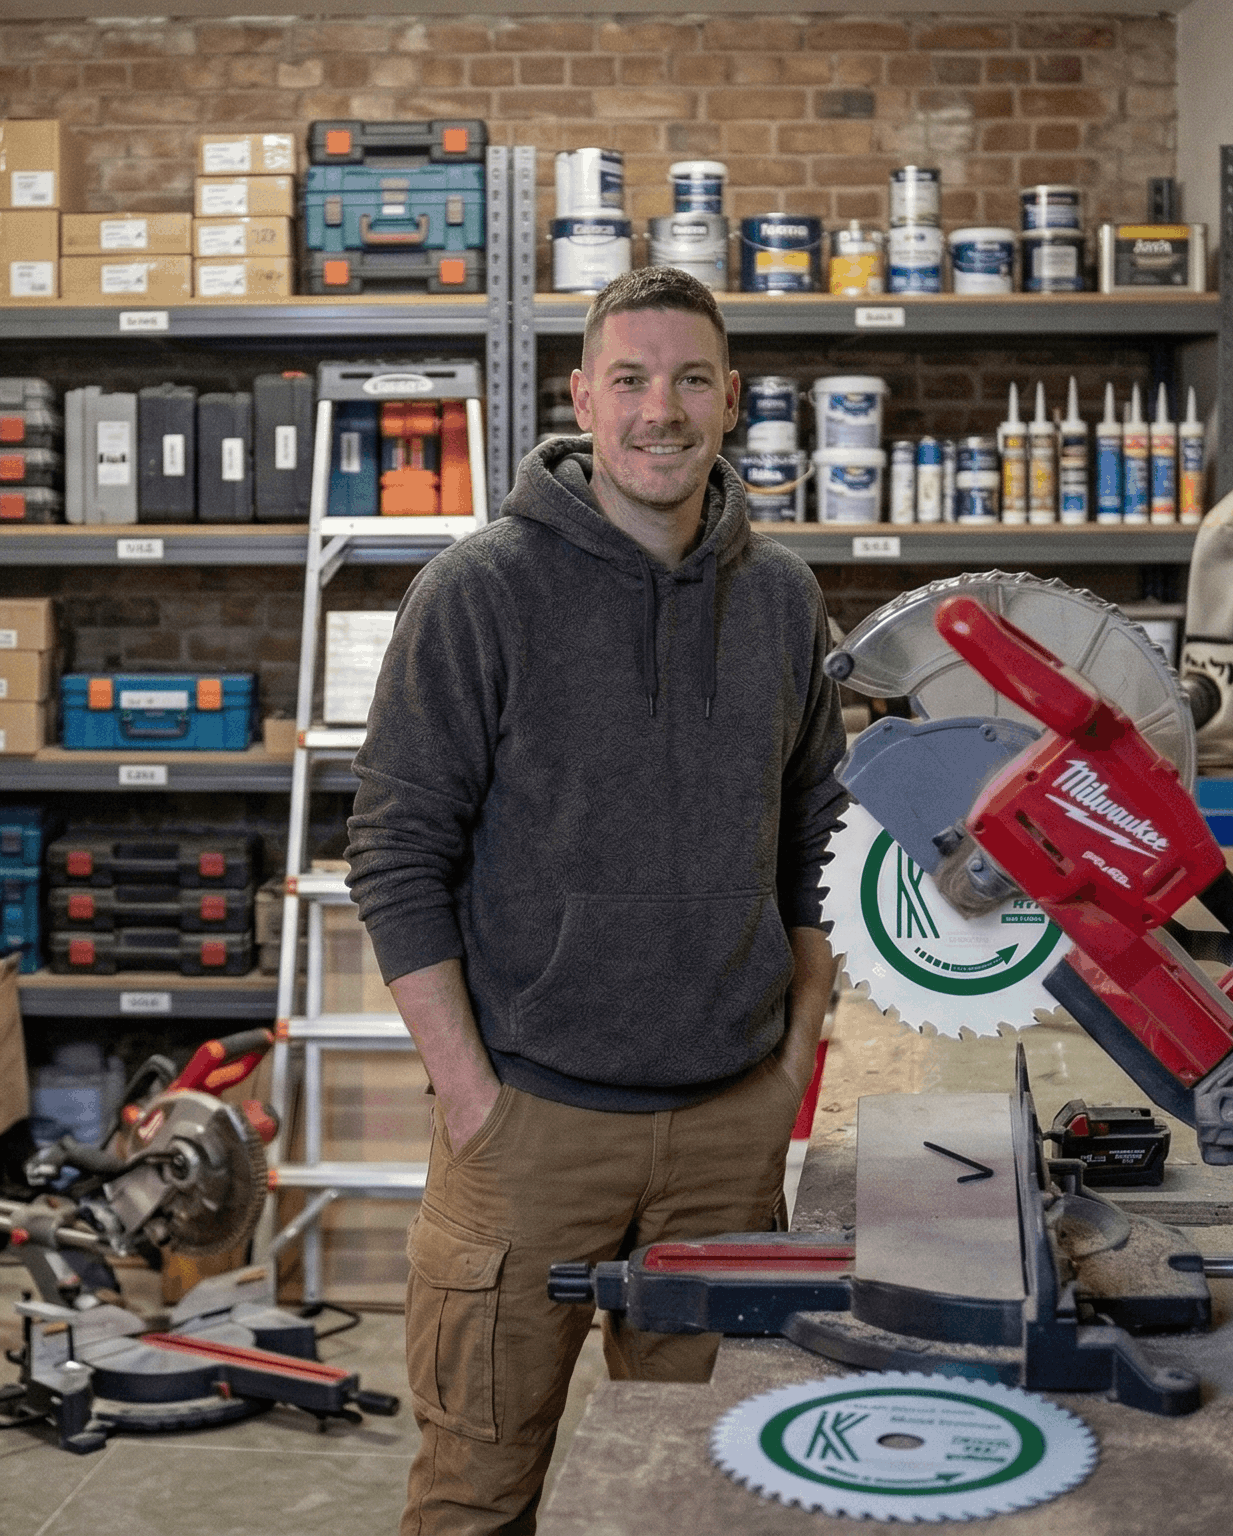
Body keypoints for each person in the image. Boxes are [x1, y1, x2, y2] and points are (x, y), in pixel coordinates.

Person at [345, 265, 848, 1535]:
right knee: (475, 1492)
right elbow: (397, 854)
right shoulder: (479, 592)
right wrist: (470, 1095)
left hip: (727, 1136)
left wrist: (791, 1061)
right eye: (629, 379)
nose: (659, 411)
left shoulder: (782, 598)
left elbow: (818, 839)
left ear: (731, 400)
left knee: (706, 1493)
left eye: (689, 381)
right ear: (582, 397)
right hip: (528, 1129)